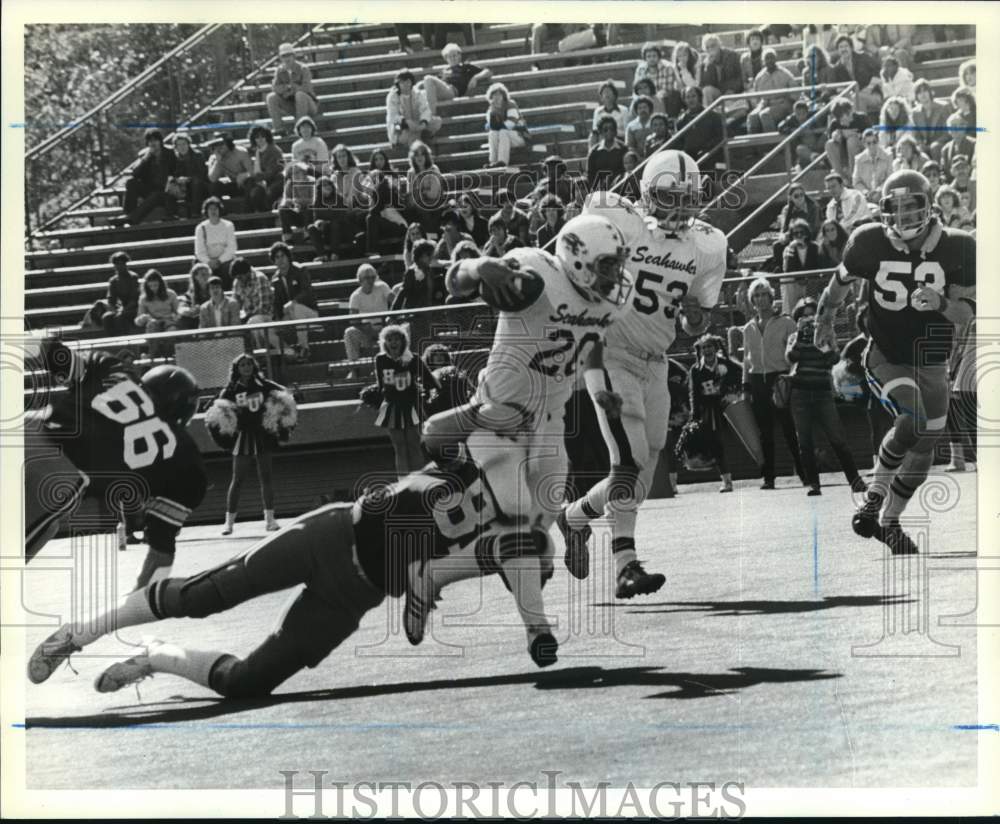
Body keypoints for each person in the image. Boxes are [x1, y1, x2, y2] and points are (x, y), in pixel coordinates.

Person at [29, 461, 562, 699]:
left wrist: (534, 618)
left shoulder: (519, 525)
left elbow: (529, 557)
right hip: (332, 535)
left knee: (247, 685)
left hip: (356, 594)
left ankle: (155, 656)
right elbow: (439, 430)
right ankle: (79, 633)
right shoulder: (470, 451)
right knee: (206, 595)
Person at [419, 213, 630, 642]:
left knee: (535, 544)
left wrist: (598, 386)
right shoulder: (535, 272)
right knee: (518, 525)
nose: (615, 275)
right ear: (578, 259)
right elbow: (454, 280)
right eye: (607, 265)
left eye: (615, 264)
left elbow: (589, 342)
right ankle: (537, 629)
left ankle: (432, 576)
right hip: (498, 415)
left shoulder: (607, 300)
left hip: (551, 421)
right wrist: (480, 265)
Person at [557, 153, 728, 597]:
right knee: (629, 458)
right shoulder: (620, 220)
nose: (677, 210)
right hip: (611, 353)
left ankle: (574, 518)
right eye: (669, 198)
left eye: (686, 199)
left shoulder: (706, 245)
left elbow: (695, 323)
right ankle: (625, 564)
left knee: (642, 471)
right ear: (649, 193)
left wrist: (695, 319)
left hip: (656, 362)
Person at [814, 170, 976, 554]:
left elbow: (965, 315)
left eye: (911, 205)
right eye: (895, 207)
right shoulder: (868, 241)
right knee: (912, 419)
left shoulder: (959, 246)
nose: (902, 216)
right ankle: (872, 500)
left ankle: (889, 521)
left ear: (929, 205)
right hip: (886, 355)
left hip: (934, 362)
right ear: (883, 210)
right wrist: (823, 319)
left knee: (924, 449)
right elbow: (838, 285)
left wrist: (939, 303)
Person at [23, 339, 205, 593]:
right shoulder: (184, 454)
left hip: (26, 434)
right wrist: (132, 606)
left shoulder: (114, 369)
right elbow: (160, 557)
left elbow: (48, 348)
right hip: (56, 472)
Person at [785, 297, 865, 495]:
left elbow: (834, 359)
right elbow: (790, 358)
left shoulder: (826, 334)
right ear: (798, 319)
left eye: (812, 315)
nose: (809, 319)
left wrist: (822, 344)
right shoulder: (794, 337)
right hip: (800, 393)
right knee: (804, 441)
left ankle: (855, 480)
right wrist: (802, 338)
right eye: (804, 316)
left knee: (837, 438)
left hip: (822, 392)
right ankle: (813, 484)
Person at [208, 353, 294, 535]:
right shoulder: (231, 389)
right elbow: (219, 408)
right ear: (237, 369)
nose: (246, 368)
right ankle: (229, 522)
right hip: (244, 436)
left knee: (266, 477)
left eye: (248, 364)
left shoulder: (264, 385)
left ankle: (270, 520)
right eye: (242, 365)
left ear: (254, 367)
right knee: (237, 479)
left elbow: (284, 394)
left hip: (262, 434)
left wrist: (277, 416)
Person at [740, 277, 804, 488]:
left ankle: (805, 474)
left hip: (781, 378)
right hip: (759, 381)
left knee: (789, 429)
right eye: (756, 296)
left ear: (771, 296)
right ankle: (769, 477)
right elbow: (746, 359)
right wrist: (746, 385)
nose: (760, 299)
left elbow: (797, 354)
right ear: (752, 300)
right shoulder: (748, 328)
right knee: (764, 433)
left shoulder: (786, 322)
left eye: (763, 294)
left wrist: (793, 378)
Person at [372, 324, 440, 479]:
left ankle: (420, 481)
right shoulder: (380, 359)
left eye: (396, 339)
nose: (393, 343)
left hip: (411, 407)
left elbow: (430, 382)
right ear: (384, 342)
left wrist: (425, 396)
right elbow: (380, 386)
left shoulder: (413, 359)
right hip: (391, 408)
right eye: (389, 339)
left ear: (403, 341)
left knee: (414, 446)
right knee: (399, 447)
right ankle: (403, 482)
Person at [688, 333, 741, 492]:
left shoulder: (727, 364)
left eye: (710, 346)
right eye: (704, 347)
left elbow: (740, 377)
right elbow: (694, 394)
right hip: (709, 410)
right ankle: (726, 480)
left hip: (728, 407)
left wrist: (733, 393)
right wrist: (694, 415)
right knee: (715, 444)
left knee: (735, 441)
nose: (707, 350)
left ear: (716, 348)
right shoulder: (696, 369)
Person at [115, 128, 177, 227]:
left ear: (160, 141)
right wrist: (146, 158)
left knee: (156, 195)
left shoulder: (170, 153)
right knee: (131, 183)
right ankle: (128, 214)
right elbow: (135, 174)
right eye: (150, 141)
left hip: (166, 192)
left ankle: (131, 219)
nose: (153, 143)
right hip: (151, 189)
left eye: (155, 140)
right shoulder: (147, 156)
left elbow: (176, 172)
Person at [269, 241, 319, 359]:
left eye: (283, 256)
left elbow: (308, 292)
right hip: (290, 318)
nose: (280, 259)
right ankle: (290, 353)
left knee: (295, 308)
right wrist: (277, 318)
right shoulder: (275, 279)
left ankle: (304, 348)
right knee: (269, 330)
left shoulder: (300, 270)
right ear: (274, 260)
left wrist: (294, 302)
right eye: (277, 257)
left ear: (288, 257)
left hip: (310, 315)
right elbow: (277, 303)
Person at [418, 42, 493, 116]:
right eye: (450, 56)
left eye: (454, 55)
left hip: (452, 91)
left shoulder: (465, 67)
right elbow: (433, 83)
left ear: (459, 56)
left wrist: (475, 77)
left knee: (427, 78)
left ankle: (432, 115)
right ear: (446, 59)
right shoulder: (444, 70)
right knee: (417, 92)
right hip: (441, 91)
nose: (452, 58)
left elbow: (488, 71)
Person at [344, 263, 392, 366]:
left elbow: (395, 301)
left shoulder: (382, 287)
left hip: (385, 327)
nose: (370, 280)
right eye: (367, 278)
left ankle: (386, 366)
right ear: (360, 280)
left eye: (373, 277)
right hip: (366, 331)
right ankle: (354, 368)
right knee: (349, 333)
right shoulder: (355, 296)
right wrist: (366, 329)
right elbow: (353, 320)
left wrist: (390, 320)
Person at [266, 42, 319, 136]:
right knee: (271, 97)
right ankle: (278, 128)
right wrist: (287, 88)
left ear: (293, 56)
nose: (287, 58)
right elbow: (275, 88)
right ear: (281, 58)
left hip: (308, 105)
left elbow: (306, 88)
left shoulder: (303, 68)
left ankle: (299, 128)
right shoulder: (280, 70)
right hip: (292, 105)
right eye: (284, 56)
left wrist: (292, 90)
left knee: (300, 95)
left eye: (289, 55)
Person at [230, 257, 280, 354]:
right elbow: (235, 305)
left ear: (247, 273)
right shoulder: (237, 282)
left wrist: (247, 318)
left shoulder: (260, 278)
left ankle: (262, 353)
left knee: (254, 321)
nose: (238, 280)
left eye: (240, 277)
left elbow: (264, 308)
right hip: (249, 318)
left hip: (267, 317)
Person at [385, 69, 441, 150]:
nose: (405, 85)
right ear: (398, 84)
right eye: (402, 82)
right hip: (401, 127)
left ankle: (422, 134)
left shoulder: (417, 93)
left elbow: (425, 109)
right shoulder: (392, 96)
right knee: (409, 134)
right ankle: (418, 144)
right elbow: (392, 116)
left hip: (417, 122)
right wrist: (406, 122)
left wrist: (423, 123)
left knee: (436, 122)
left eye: (408, 81)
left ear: (412, 82)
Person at [747, 48, 796, 134]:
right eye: (767, 58)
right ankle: (755, 145)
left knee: (765, 115)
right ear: (763, 61)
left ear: (775, 59)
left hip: (782, 103)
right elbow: (756, 98)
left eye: (771, 57)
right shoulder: (760, 77)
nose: (769, 60)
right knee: (752, 116)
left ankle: (771, 144)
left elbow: (795, 93)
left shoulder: (785, 73)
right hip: (765, 103)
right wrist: (761, 105)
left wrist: (788, 102)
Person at [831, 34, 882, 116]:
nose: (844, 49)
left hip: (873, 94)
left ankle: (861, 126)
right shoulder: (837, 68)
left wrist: (868, 89)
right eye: (841, 47)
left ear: (851, 48)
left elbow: (878, 74)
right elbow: (838, 88)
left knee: (858, 99)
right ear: (837, 50)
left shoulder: (863, 57)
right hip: (852, 97)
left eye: (846, 46)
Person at [194, 196, 238, 288]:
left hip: (225, 261)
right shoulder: (200, 228)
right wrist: (209, 262)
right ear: (206, 211)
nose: (213, 211)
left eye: (215, 208)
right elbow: (199, 251)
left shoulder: (228, 225)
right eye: (210, 209)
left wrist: (220, 261)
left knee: (229, 268)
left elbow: (231, 248)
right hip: (207, 261)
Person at [134, 269, 180, 358]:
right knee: (152, 325)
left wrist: (176, 316)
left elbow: (178, 311)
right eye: (150, 286)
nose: (153, 288)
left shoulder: (171, 294)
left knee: (172, 330)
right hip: (154, 322)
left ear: (161, 284)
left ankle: (169, 355)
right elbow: (138, 321)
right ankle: (153, 355)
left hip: (169, 321)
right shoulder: (144, 298)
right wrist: (143, 318)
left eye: (155, 285)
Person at [392, 239, 447, 309]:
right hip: (416, 313)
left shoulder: (429, 270)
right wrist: (393, 314)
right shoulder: (411, 272)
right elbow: (402, 293)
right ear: (420, 256)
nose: (431, 257)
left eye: (432, 254)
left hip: (430, 313)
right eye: (428, 255)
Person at [780, 219, 821, 311]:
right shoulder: (789, 248)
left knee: (813, 281)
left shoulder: (814, 247)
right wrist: (789, 251)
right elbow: (786, 269)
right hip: (795, 283)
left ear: (806, 233)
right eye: (795, 233)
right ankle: (790, 312)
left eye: (801, 232)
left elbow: (818, 266)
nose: (799, 235)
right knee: (786, 279)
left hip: (811, 282)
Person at [483, 82, 528, 168]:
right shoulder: (491, 109)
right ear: (491, 97)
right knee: (493, 133)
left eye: (499, 95)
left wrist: (495, 124)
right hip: (504, 139)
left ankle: (502, 162)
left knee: (503, 132)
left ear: (504, 96)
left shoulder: (511, 104)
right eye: (494, 95)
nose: (497, 97)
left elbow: (510, 124)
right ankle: (493, 162)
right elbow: (491, 127)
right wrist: (493, 116)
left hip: (519, 137)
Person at [166, 129, 208, 220]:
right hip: (182, 186)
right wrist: (176, 180)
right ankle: (171, 215)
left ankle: (196, 213)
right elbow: (170, 174)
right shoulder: (173, 158)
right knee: (170, 186)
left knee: (196, 183)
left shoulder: (198, 155)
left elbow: (202, 174)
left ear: (188, 144)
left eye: (184, 144)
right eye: (179, 145)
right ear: (176, 147)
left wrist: (188, 179)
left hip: (198, 185)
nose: (182, 147)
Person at [674, 86, 724, 161]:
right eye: (688, 97)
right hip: (690, 160)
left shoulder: (712, 116)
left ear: (699, 97)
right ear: (684, 100)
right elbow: (679, 143)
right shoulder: (681, 121)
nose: (691, 100)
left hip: (710, 156)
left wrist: (706, 149)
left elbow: (720, 137)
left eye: (693, 96)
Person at [824, 98, 870, 180]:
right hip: (843, 155)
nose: (844, 121)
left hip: (860, 152)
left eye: (848, 115)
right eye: (841, 119)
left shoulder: (862, 118)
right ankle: (842, 178)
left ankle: (854, 176)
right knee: (829, 144)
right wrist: (839, 135)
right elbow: (830, 138)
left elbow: (870, 137)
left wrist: (855, 135)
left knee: (851, 141)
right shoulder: (835, 124)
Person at [634, 42, 682, 118]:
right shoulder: (641, 69)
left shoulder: (667, 67)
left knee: (662, 98)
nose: (651, 59)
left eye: (654, 56)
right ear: (645, 58)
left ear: (659, 56)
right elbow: (637, 87)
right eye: (648, 56)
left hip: (663, 98)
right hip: (646, 97)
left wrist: (654, 98)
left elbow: (667, 89)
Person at [246, 126, 285, 212]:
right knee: (252, 191)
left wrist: (256, 178)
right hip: (262, 181)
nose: (260, 139)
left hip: (276, 181)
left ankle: (267, 216)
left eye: (262, 136)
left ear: (267, 136)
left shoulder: (274, 150)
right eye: (257, 137)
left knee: (266, 194)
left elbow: (272, 171)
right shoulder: (255, 151)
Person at [102, 251, 141, 336]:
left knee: (120, 317)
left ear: (126, 264)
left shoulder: (133, 277)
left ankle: (123, 340)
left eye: (121, 263)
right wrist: (114, 309)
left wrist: (123, 310)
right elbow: (111, 299)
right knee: (107, 317)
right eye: (117, 264)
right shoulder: (113, 280)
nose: (119, 266)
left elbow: (135, 298)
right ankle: (112, 341)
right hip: (121, 307)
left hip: (134, 308)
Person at [778, 99, 824, 170]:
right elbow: (780, 127)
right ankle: (815, 157)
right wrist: (794, 130)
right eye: (798, 114)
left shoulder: (814, 115)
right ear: (794, 113)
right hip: (805, 148)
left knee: (826, 136)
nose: (801, 117)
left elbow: (826, 112)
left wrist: (814, 130)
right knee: (799, 148)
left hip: (817, 144)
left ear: (807, 112)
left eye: (803, 113)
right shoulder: (791, 119)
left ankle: (819, 158)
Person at [911, 79, 950, 162]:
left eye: (925, 91)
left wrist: (935, 143)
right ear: (916, 96)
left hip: (941, 142)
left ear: (930, 92)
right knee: (918, 150)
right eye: (919, 92)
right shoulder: (915, 112)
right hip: (925, 144)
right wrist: (920, 143)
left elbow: (947, 132)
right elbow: (916, 133)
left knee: (934, 147)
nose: (923, 94)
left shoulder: (943, 107)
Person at [206, 134, 254, 202]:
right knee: (214, 186)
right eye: (216, 145)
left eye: (221, 144)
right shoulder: (214, 158)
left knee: (249, 182)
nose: (218, 148)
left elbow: (253, 173)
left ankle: (248, 210)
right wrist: (218, 161)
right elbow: (212, 179)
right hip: (232, 185)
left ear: (228, 143)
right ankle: (219, 209)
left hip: (244, 184)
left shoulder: (240, 152)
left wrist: (244, 175)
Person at [699, 33, 743, 105]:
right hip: (718, 93)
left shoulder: (732, 55)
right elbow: (704, 85)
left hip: (733, 91)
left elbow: (741, 75)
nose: (710, 49)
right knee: (707, 91)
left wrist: (732, 89)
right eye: (707, 47)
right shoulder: (705, 64)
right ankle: (709, 114)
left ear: (719, 45)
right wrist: (709, 66)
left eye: (713, 46)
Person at [586, 115, 627, 191]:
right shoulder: (594, 152)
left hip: (621, 187)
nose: (609, 132)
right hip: (601, 190)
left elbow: (626, 171)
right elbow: (590, 175)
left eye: (612, 129)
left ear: (615, 131)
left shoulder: (623, 149)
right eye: (605, 129)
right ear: (600, 132)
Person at [853, 128, 894, 202]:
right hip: (866, 197)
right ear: (864, 144)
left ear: (878, 141)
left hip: (884, 195)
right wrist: (866, 192)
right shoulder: (859, 159)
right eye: (868, 143)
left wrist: (879, 191)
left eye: (874, 142)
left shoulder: (888, 156)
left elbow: (890, 178)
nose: (872, 145)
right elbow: (856, 182)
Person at [589, 80, 628, 149]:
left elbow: (626, 130)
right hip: (603, 139)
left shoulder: (623, 110)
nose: (607, 94)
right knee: (592, 136)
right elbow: (595, 130)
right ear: (601, 97)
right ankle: (592, 155)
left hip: (619, 138)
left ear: (615, 95)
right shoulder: (598, 111)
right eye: (604, 92)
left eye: (609, 91)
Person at [176, 262, 212, 329]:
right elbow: (182, 308)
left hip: (213, 317)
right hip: (197, 320)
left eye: (208, 274)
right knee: (183, 319)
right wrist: (191, 311)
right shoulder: (190, 294)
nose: (206, 277)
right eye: (203, 274)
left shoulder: (215, 289)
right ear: (195, 277)